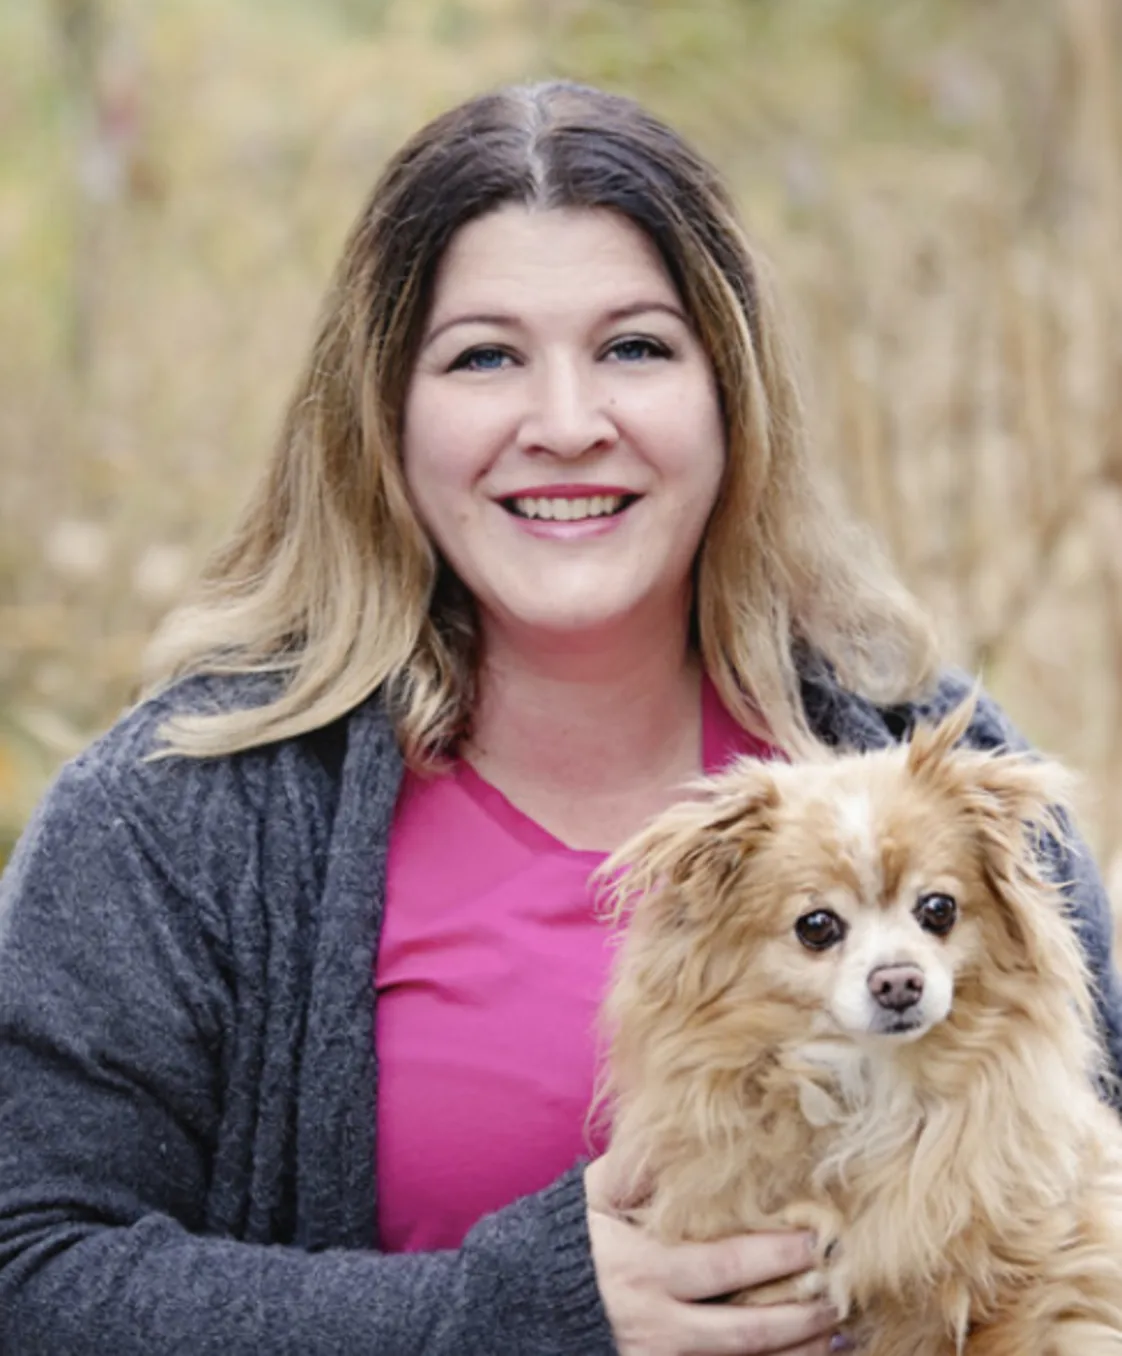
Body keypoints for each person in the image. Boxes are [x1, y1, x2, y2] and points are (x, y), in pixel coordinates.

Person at [0, 80, 1119, 1356]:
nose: (569, 425)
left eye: (636, 347)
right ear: (384, 413)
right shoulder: (182, 817)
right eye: (485, 356)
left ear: (730, 395)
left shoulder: (939, 758)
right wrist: (505, 1313)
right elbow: (31, 1271)